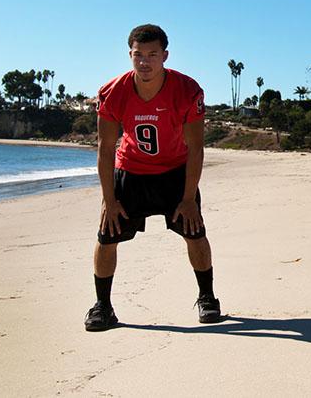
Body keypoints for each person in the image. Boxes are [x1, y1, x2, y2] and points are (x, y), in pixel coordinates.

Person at [84, 24, 221, 331]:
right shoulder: (112, 92)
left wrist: (188, 199)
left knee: (195, 232)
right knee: (107, 236)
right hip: (131, 172)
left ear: (165, 56)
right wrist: (109, 199)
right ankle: (103, 307)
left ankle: (208, 298)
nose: (144, 62)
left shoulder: (187, 90)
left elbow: (196, 148)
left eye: (152, 55)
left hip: (175, 172)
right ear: (130, 55)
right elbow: (105, 149)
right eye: (138, 55)